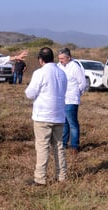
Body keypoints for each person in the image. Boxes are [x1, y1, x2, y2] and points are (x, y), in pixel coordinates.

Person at [25, 47, 68, 185]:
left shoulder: (40, 73)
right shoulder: (62, 73)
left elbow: (30, 93)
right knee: (59, 146)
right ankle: (61, 176)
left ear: (40, 60)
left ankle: (40, 178)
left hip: (43, 116)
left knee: (42, 147)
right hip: (59, 115)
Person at [57, 47, 86, 154]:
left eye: (62, 58)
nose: (60, 60)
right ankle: (63, 144)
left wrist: (76, 94)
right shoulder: (58, 66)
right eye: (59, 58)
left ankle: (74, 146)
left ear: (69, 57)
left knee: (72, 123)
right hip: (61, 99)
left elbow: (82, 83)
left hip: (71, 99)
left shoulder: (75, 67)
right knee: (64, 123)